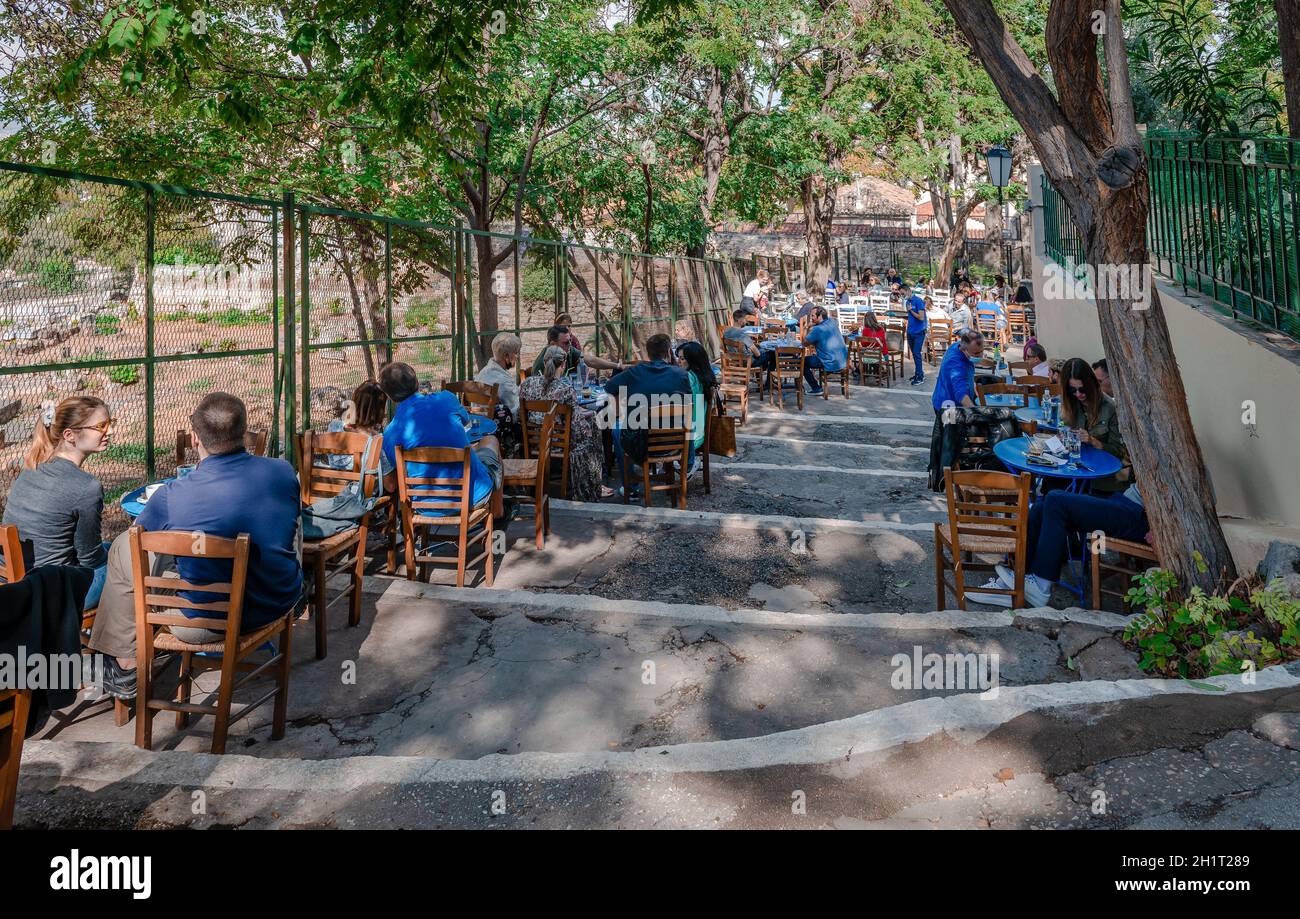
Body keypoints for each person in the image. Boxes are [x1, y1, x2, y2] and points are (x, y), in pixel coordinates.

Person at [87, 393, 303, 699]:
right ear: (244, 433)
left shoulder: (172, 496)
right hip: (279, 597)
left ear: (194, 439)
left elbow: (141, 540)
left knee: (125, 547)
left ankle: (124, 663)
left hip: (207, 622)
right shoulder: (282, 471)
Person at [3, 396, 112, 610]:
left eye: (110, 423)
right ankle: (116, 638)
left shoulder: (32, 468)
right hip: (52, 593)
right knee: (128, 562)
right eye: (101, 426)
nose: (110, 432)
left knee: (114, 549)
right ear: (70, 435)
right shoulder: (87, 487)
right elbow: (90, 559)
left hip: (14, 585)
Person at [967, 484, 1149, 608]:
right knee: (1042, 505)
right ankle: (1016, 580)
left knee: (1056, 500)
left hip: (1138, 515)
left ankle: (1041, 586)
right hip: (1124, 500)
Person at [378, 361, 504, 518]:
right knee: (491, 440)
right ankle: (499, 512)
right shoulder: (447, 400)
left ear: (389, 396)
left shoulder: (389, 434)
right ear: (416, 382)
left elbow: (391, 484)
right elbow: (466, 422)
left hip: (424, 507)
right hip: (473, 496)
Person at [520, 345, 612, 500]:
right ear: (563, 365)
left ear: (544, 361)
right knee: (594, 430)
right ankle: (593, 485)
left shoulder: (527, 384)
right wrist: (590, 417)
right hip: (559, 441)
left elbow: (521, 414)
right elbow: (576, 424)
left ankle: (593, 484)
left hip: (535, 440)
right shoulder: (565, 388)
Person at [604, 333, 691, 494]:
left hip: (641, 443)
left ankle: (631, 487)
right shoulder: (681, 375)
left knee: (616, 429)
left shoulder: (635, 372)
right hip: (675, 443)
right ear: (668, 353)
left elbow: (609, 387)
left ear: (648, 354)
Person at [1059, 357, 1127, 490]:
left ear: (1091, 384)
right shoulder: (1070, 403)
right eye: (1073, 390)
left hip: (1099, 476)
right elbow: (1062, 428)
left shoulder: (1110, 407)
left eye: (1082, 389)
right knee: (1049, 485)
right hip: (1071, 470)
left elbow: (1118, 452)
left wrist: (1093, 441)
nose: (1078, 394)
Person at [324, 380, 391, 472]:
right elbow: (390, 485)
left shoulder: (334, 427)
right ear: (378, 410)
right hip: (361, 485)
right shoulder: (374, 438)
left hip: (333, 483)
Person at [475, 331, 523, 456]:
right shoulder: (503, 381)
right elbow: (516, 411)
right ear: (506, 356)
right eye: (516, 353)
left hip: (479, 426)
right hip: (497, 432)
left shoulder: (483, 373)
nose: (517, 357)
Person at [675, 341, 718, 479]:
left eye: (682, 358)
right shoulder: (704, 376)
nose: (678, 362)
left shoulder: (687, 378)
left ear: (692, 361)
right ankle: (673, 465)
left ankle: (679, 464)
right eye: (678, 358)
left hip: (689, 437)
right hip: (699, 431)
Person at [530, 324, 623, 377]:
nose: (570, 344)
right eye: (566, 342)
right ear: (552, 344)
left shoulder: (568, 350)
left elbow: (590, 360)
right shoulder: (542, 364)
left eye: (570, 340)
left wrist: (618, 366)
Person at [932, 328, 984, 414]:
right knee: (950, 427)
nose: (980, 355)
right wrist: (976, 414)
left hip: (949, 400)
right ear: (964, 350)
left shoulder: (957, 345)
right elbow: (961, 394)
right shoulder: (956, 365)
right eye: (976, 353)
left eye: (982, 350)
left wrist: (972, 383)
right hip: (947, 407)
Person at [800, 305, 848, 396]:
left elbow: (804, 343)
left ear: (820, 316)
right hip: (843, 361)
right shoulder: (832, 322)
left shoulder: (817, 329)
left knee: (802, 361)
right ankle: (816, 386)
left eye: (813, 316)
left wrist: (806, 327)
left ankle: (816, 388)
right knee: (811, 358)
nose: (811, 318)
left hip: (829, 361)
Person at [902, 284, 928, 385]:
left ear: (908, 290)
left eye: (903, 293)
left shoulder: (918, 301)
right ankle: (919, 373)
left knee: (917, 354)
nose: (902, 296)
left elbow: (921, 317)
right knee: (914, 354)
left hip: (919, 332)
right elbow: (910, 316)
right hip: (910, 331)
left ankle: (920, 377)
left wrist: (911, 310)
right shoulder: (908, 302)